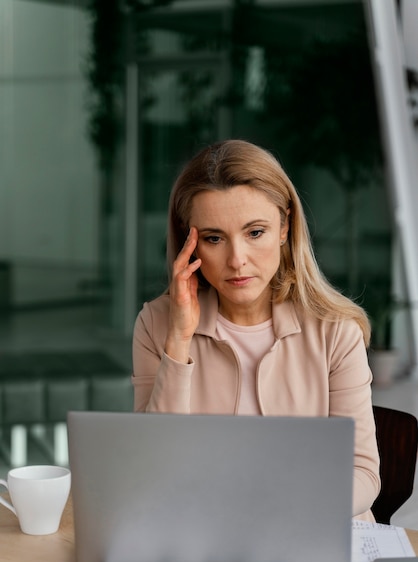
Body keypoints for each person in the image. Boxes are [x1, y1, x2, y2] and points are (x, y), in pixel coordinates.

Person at [132, 139, 380, 521]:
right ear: (190, 242)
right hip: (201, 531)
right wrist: (178, 343)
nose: (237, 260)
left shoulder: (336, 332)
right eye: (214, 238)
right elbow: (151, 468)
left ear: (285, 226)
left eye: (255, 232)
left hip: (312, 530)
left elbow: (362, 474)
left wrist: (278, 512)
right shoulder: (157, 324)